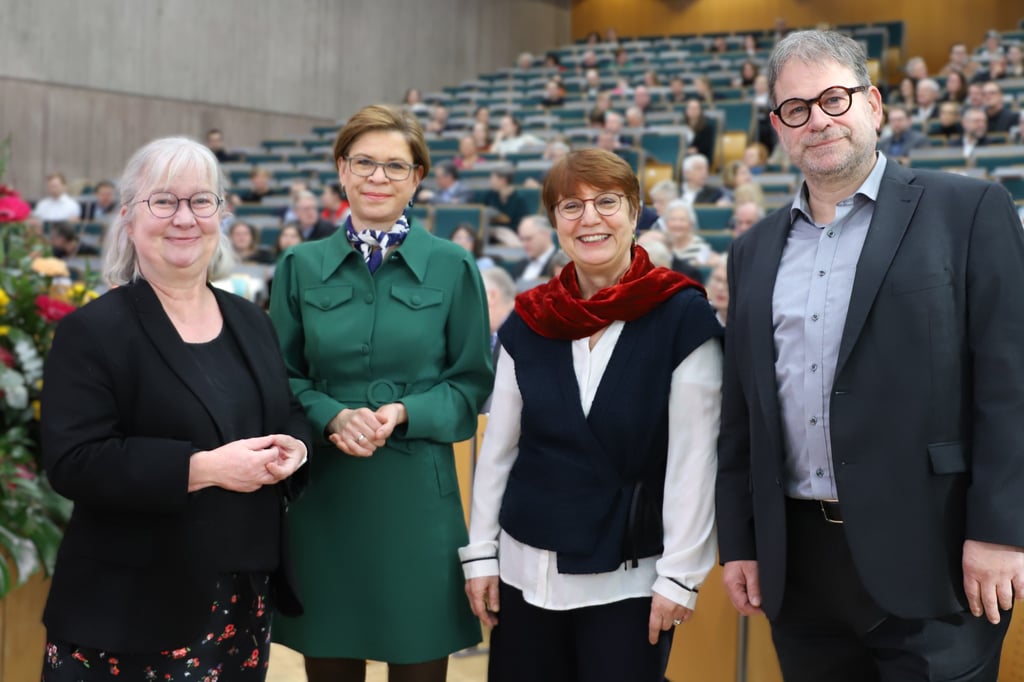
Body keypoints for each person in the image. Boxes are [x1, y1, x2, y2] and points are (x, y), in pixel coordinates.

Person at [717, 30, 1024, 682]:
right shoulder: (752, 250)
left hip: (935, 555)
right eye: (795, 108)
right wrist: (741, 542)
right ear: (778, 126)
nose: (818, 119)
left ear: (875, 104)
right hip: (798, 567)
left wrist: (1002, 530)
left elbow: (1011, 383)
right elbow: (742, 415)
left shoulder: (968, 210)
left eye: (834, 98)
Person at [39, 136, 311, 681]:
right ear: (128, 219)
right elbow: (75, 461)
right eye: (163, 201)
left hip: (242, 600)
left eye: (201, 201)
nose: (184, 218)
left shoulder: (251, 320)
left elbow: (282, 412)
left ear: (222, 215)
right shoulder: (92, 332)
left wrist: (295, 447)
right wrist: (206, 468)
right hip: (130, 608)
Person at [460, 147, 722, 682]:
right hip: (522, 568)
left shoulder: (682, 317)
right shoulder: (530, 317)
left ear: (634, 212)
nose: (590, 219)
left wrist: (680, 576)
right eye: (570, 207)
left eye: (607, 202)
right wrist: (481, 555)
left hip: (628, 575)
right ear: (555, 221)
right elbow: (499, 449)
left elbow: (694, 462)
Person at [268, 104, 493, 682]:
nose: (377, 177)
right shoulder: (300, 264)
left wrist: (402, 412)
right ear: (341, 169)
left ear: (417, 179)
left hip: (418, 502)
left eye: (396, 166)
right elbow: (280, 378)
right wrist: (331, 416)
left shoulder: (452, 266)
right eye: (364, 162)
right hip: (326, 499)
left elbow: (470, 384)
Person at [509, 215, 557, 286]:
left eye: (528, 239)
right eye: (522, 240)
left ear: (545, 235)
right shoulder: (520, 266)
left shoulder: (561, 264)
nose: (524, 244)